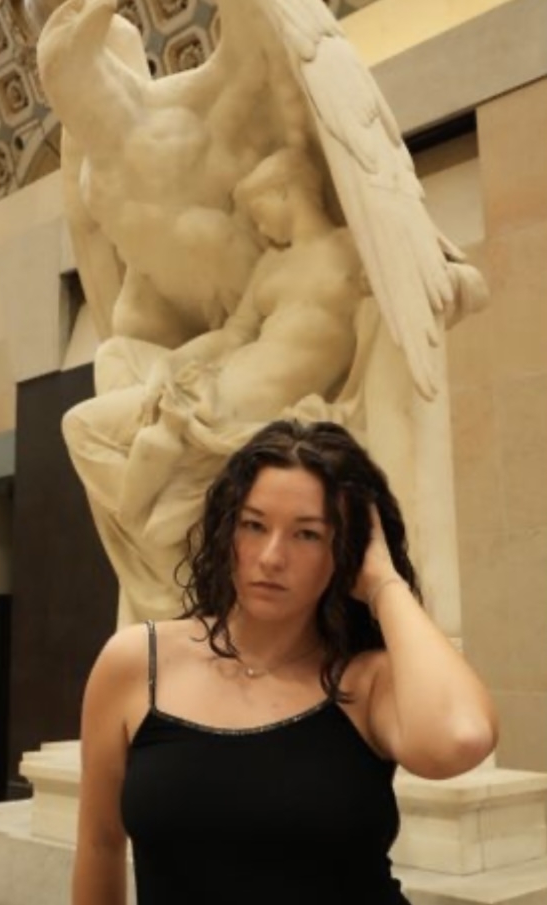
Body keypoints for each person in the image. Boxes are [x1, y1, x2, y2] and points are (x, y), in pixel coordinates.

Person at [71, 420, 498, 905]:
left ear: (346, 551)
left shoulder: (366, 680)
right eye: (254, 525)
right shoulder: (136, 663)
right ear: (227, 531)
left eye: (307, 534)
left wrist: (384, 582)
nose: (272, 557)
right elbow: (100, 843)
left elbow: (461, 737)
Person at [63, 149, 378, 619]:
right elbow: (234, 335)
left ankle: (151, 540)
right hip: (218, 380)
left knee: (81, 426)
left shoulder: (354, 251)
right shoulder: (272, 266)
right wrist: (172, 366)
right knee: (113, 359)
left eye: (260, 210)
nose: (260, 226)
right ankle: (154, 536)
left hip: (247, 406)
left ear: (285, 191)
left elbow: (421, 275)